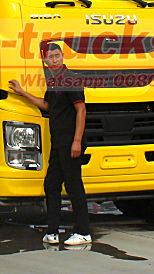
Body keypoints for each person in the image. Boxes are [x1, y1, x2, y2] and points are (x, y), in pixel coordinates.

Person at [8, 42, 91, 246]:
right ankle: (52, 232)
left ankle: (83, 232)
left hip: (70, 143)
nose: (54, 60)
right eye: (50, 57)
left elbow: (81, 110)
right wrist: (22, 92)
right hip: (57, 144)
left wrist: (77, 142)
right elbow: (46, 105)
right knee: (51, 185)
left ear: (62, 57)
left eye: (57, 56)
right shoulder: (53, 82)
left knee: (74, 186)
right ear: (45, 61)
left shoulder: (71, 79)